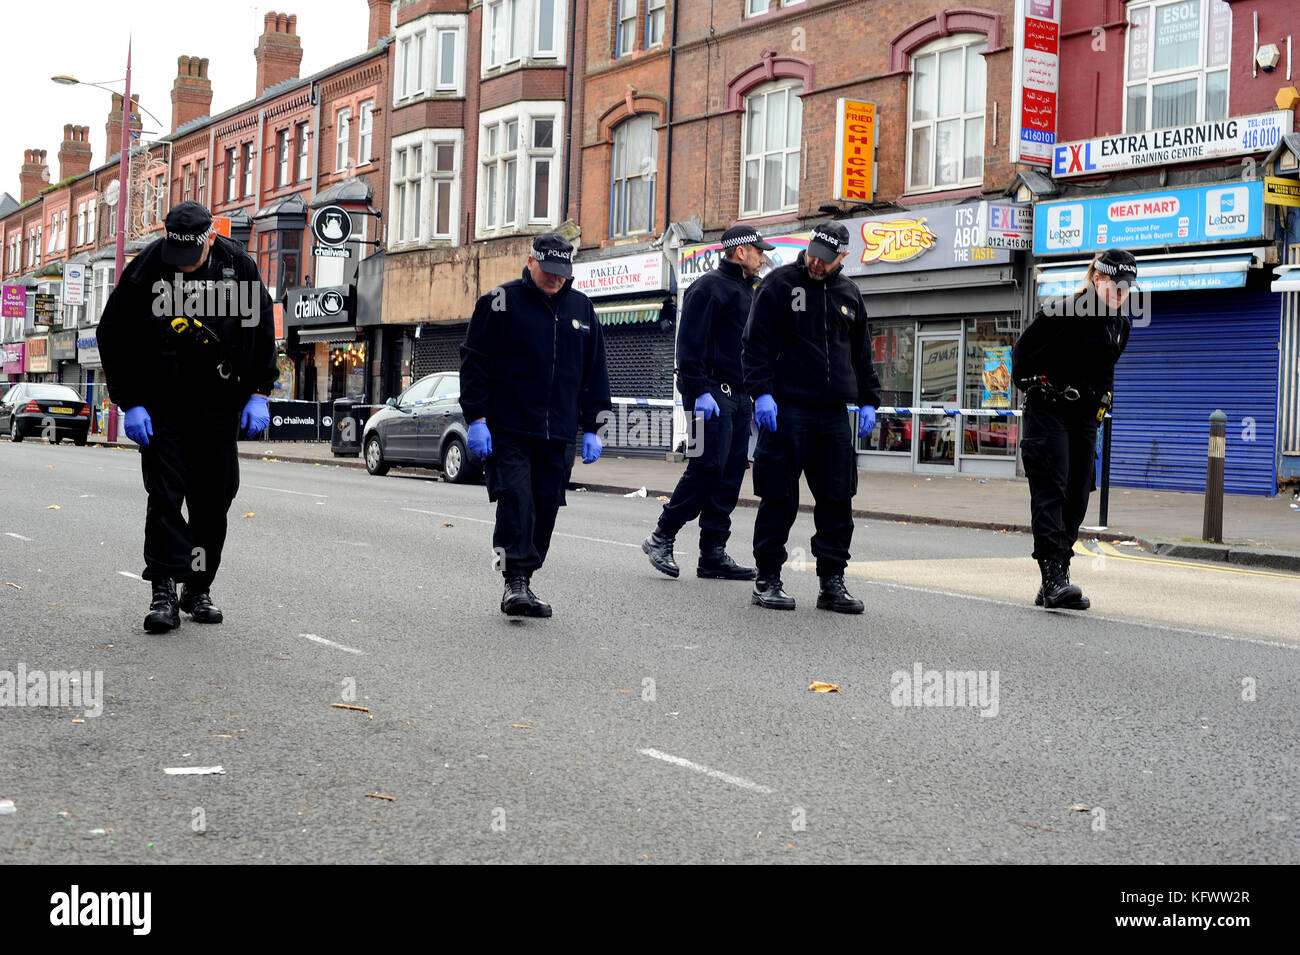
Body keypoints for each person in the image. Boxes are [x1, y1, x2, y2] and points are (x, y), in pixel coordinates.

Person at [97, 201, 276, 632]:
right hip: (162, 406)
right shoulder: (147, 269)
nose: (182, 267)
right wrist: (130, 401)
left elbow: (261, 330)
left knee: (214, 500)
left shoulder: (238, 267)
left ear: (210, 237)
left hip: (217, 405)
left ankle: (196, 587)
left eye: (190, 258)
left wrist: (258, 393)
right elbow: (112, 334)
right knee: (165, 497)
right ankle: (163, 592)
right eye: (176, 257)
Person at [459, 233, 612, 617]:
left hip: (557, 434)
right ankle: (514, 583)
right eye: (549, 271)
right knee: (516, 502)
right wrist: (476, 418)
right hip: (508, 430)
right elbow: (474, 363)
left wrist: (594, 426)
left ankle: (526, 578)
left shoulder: (582, 309)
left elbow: (595, 372)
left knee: (545, 507)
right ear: (531, 262)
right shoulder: (499, 302)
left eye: (562, 273)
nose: (555, 279)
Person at [741, 221, 882, 613]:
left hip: (833, 414)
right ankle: (768, 577)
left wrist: (870, 400)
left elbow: (862, 355)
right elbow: (754, 344)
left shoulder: (849, 295)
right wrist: (762, 393)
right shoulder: (780, 284)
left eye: (825, 258)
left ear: (843, 257)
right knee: (779, 496)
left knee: (838, 499)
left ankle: (831, 582)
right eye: (813, 254)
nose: (816, 263)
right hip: (786, 410)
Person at [643, 225, 774, 581]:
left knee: (731, 474)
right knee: (705, 467)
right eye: (759, 250)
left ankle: (712, 553)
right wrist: (698, 390)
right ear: (740, 251)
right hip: (710, 394)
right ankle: (661, 536)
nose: (764, 257)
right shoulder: (709, 287)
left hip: (740, 397)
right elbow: (688, 344)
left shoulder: (750, 292)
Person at [1012, 248, 1136, 610]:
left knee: (1079, 493)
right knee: (1053, 490)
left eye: (1128, 286)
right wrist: (1038, 383)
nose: (1122, 292)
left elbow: (1105, 372)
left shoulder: (1119, 325)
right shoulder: (1062, 311)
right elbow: (1021, 356)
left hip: (1083, 417)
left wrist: (1103, 402)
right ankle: (1052, 578)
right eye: (1116, 283)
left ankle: (1059, 575)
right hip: (1048, 409)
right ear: (1098, 278)